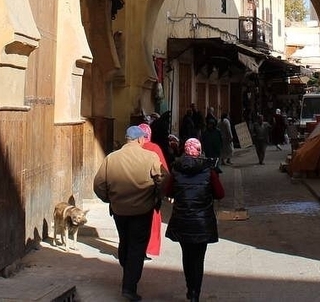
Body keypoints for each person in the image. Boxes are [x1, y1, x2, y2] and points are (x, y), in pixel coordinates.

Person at [93, 125, 166, 301]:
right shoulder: (150, 157)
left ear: (127, 139)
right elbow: (163, 179)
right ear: (141, 139)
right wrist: (156, 197)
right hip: (142, 210)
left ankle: (127, 272)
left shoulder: (112, 158)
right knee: (137, 247)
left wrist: (109, 199)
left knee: (124, 241)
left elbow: (98, 185)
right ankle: (129, 286)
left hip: (119, 210)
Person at [164, 137, 225, 302]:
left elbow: (168, 191)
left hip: (182, 220)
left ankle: (190, 288)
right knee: (198, 259)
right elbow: (220, 193)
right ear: (199, 151)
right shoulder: (208, 171)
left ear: (185, 150)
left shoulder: (176, 169)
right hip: (202, 222)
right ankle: (195, 294)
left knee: (187, 256)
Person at [137, 122, 169, 259]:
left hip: (132, 191)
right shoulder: (154, 148)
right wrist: (165, 192)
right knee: (150, 222)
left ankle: (132, 250)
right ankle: (145, 250)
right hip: (150, 192)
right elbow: (164, 172)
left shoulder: (130, 149)